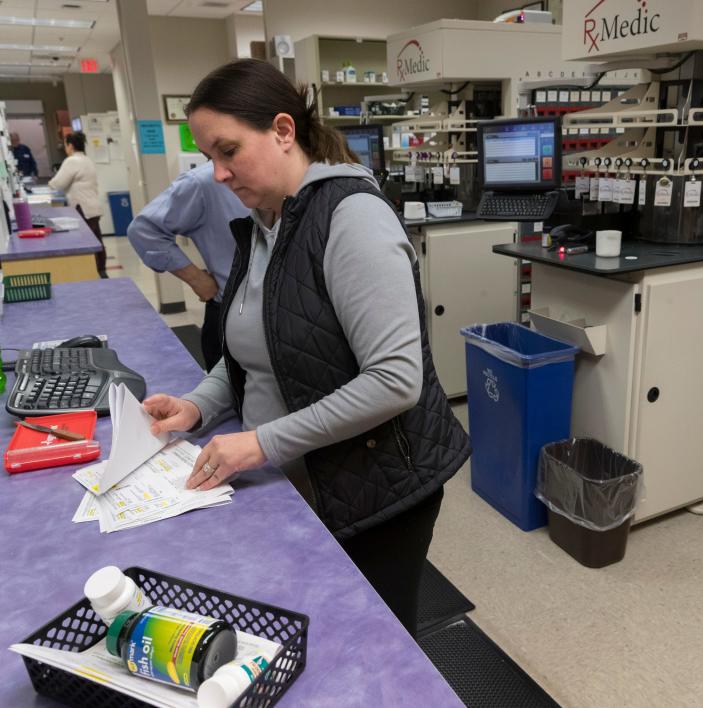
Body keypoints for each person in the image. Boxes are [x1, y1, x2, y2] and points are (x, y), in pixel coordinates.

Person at [142, 59, 470, 635]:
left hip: (371, 490)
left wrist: (260, 443)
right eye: (208, 158)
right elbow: (256, 344)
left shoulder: (352, 219)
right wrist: (200, 404)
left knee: (370, 646)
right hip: (291, 480)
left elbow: (395, 380)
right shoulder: (263, 224)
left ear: (283, 131)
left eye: (228, 151)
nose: (218, 174)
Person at [127, 162, 248, 370]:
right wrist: (196, 278)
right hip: (233, 315)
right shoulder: (205, 182)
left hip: (290, 316)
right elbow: (144, 231)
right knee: (231, 394)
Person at [48, 132, 106, 277]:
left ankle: (93, 271)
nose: (64, 148)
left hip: (82, 207)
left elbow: (58, 183)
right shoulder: (86, 160)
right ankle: (101, 270)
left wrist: (49, 184)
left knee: (86, 242)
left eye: (65, 144)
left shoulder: (72, 161)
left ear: (71, 145)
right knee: (96, 239)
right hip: (92, 206)